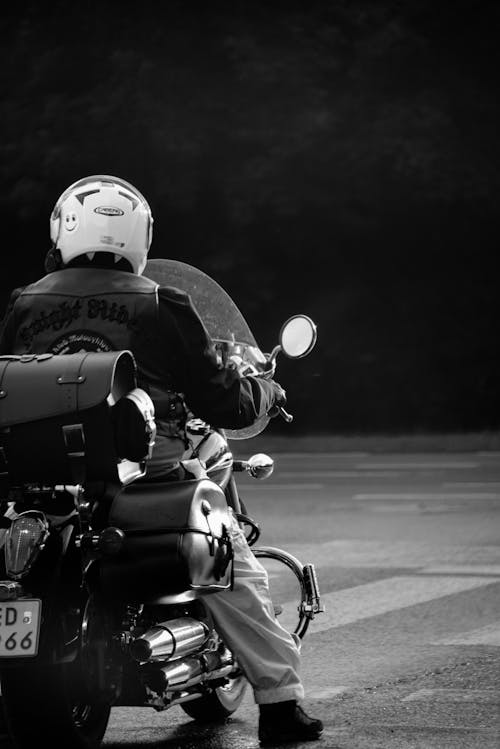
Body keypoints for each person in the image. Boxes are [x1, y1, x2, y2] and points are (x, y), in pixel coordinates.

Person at [0, 175, 323, 745]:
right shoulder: (160, 303)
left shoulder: (23, 303)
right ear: (139, 239)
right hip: (147, 475)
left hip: (41, 477)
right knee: (232, 563)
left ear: (62, 231)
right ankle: (279, 701)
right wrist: (266, 394)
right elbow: (219, 396)